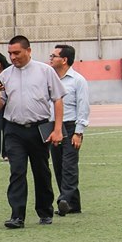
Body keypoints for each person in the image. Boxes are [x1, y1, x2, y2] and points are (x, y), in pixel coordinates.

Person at [0, 35, 66, 229]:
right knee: (17, 171)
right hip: (13, 130)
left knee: (41, 171)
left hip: (39, 128)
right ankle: (17, 215)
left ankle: (45, 211)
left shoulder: (45, 71)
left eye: (17, 53)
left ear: (28, 51)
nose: (13, 57)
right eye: (10, 53)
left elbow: (58, 99)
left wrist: (58, 129)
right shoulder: (6, 75)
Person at [49, 44, 90, 216]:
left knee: (69, 165)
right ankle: (74, 205)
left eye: (54, 56)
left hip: (70, 126)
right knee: (58, 165)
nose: (50, 58)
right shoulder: (49, 78)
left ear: (64, 60)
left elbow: (83, 106)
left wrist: (78, 132)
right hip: (52, 126)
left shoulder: (78, 80)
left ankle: (64, 199)